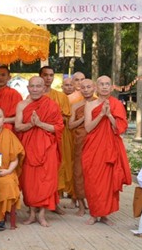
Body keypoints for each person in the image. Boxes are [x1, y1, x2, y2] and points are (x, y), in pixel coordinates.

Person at [82, 75, 132, 226]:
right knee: (92, 181)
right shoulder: (90, 105)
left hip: (110, 148)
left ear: (111, 87)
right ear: (96, 87)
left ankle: (104, 215)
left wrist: (109, 115)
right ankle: (94, 213)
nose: (104, 87)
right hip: (93, 148)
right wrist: (101, 115)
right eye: (101, 84)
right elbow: (88, 128)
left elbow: (120, 128)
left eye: (107, 84)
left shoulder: (117, 104)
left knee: (108, 182)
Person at [15, 76, 63, 227]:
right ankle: (31, 214)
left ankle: (42, 215)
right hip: (29, 147)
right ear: (28, 88)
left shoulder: (52, 105)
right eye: (32, 86)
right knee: (29, 182)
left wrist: (40, 123)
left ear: (44, 88)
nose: (35, 89)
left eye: (38, 86)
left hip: (47, 148)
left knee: (46, 181)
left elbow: (58, 127)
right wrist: (31, 124)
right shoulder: (22, 105)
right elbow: (17, 126)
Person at [40, 66, 73, 209]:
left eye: (51, 75)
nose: (48, 78)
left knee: (58, 167)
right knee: (41, 170)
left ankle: (56, 203)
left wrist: (52, 117)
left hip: (58, 136)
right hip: (40, 137)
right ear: (40, 77)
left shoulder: (61, 97)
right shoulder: (34, 97)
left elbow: (66, 118)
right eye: (45, 75)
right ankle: (37, 203)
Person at [68, 78, 96, 216]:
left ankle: (95, 204)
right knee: (78, 172)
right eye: (83, 87)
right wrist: (83, 119)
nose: (86, 90)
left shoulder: (99, 103)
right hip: (80, 140)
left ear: (94, 88)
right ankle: (81, 205)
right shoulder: (76, 106)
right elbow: (70, 125)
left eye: (88, 87)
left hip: (95, 142)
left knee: (94, 173)